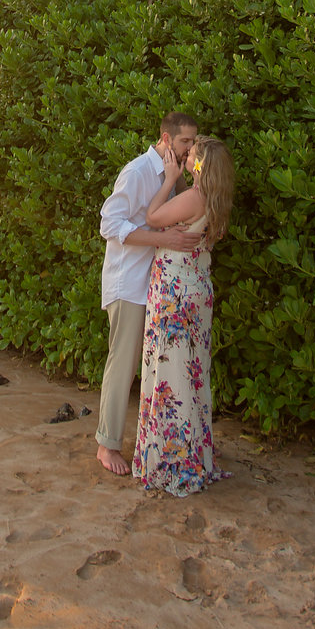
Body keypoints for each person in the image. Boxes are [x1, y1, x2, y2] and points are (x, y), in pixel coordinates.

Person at [95, 113, 200, 476]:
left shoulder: (173, 176)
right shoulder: (138, 171)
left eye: (193, 142)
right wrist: (163, 239)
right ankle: (106, 445)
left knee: (147, 368)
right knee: (122, 363)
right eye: (186, 142)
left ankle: (141, 440)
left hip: (151, 285)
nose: (191, 149)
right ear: (167, 139)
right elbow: (109, 222)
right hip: (128, 283)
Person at [131, 134, 235, 497]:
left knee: (169, 371)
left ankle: (171, 460)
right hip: (198, 290)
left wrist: (171, 179)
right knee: (191, 372)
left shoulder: (193, 197)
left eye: (190, 155)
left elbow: (152, 216)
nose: (185, 156)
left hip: (174, 291)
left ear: (200, 165)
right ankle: (193, 455)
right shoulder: (218, 202)